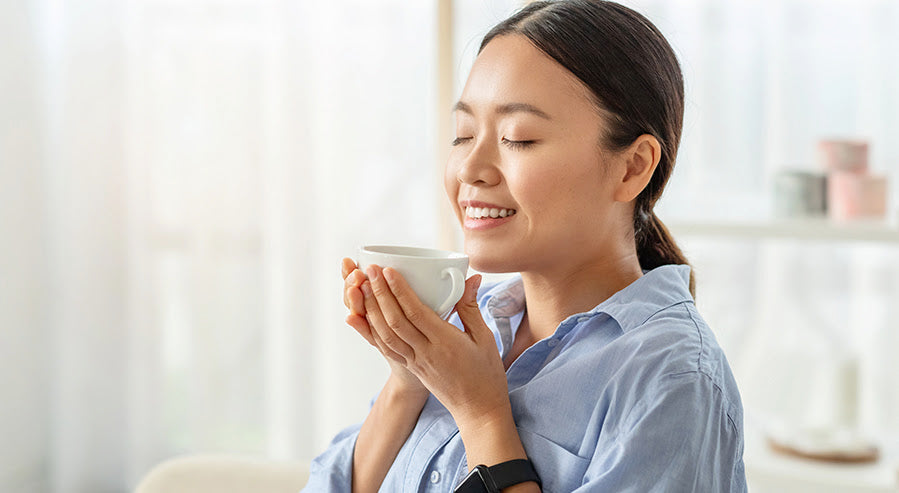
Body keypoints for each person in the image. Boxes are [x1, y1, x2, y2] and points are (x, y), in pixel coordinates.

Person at [303, 0, 746, 491]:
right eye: (463, 134)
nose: (471, 168)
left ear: (633, 166)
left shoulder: (672, 379)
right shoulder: (468, 328)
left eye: (519, 138)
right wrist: (409, 379)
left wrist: (482, 413)